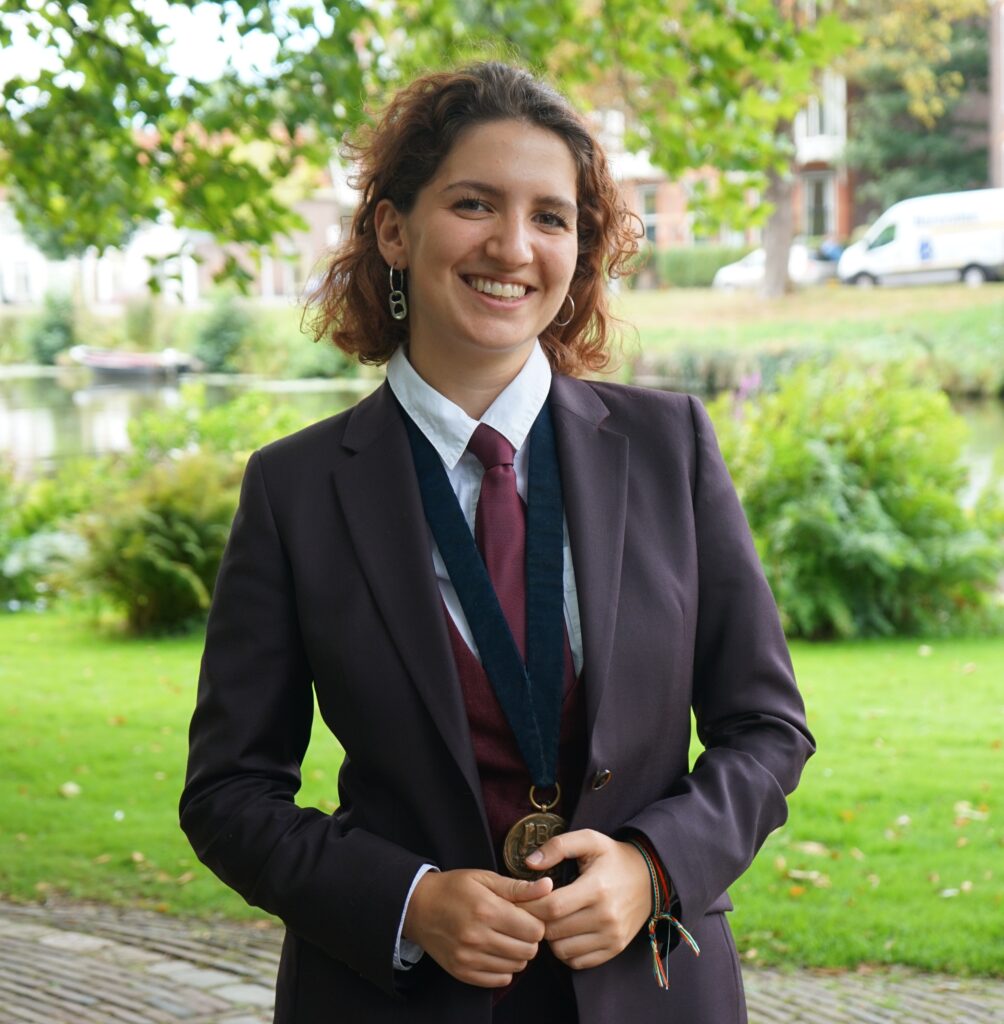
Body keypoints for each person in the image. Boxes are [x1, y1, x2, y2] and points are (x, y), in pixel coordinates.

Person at [180, 62, 814, 1024]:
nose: (513, 247)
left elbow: (767, 729)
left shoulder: (671, 447)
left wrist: (654, 867)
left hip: (648, 993)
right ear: (394, 230)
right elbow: (229, 792)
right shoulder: (294, 489)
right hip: (393, 1001)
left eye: (550, 216)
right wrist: (406, 903)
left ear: (578, 248)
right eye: (473, 203)